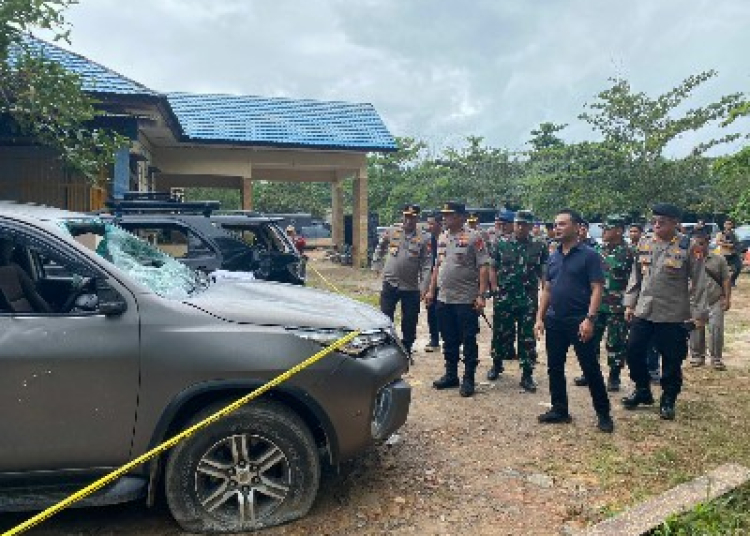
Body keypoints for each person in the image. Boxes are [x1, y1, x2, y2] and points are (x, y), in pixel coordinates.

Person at [622, 203, 708, 420]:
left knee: (671, 359)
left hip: (673, 313)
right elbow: (636, 276)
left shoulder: (690, 245)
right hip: (645, 309)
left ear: (675, 223)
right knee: (633, 351)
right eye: (655, 221)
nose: (657, 225)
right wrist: (630, 304)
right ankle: (642, 390)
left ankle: (668, 398)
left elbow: (699, 282)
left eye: (662, 221)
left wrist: (698, 315)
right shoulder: (645, 242)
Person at [534, 209, 613, 433]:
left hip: (580, 321)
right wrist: (539, 318)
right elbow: (547, 289)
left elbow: (597, 288)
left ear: (576, 227)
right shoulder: (553, 255)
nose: (556, 228)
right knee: (554, 367)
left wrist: (590, 319)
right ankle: (560, 410)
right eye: (555, 224)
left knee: (590, 368)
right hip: (555, 321)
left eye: (562, 224)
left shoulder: (589, 255)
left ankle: (603, 414)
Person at [425, 201, 491, 397]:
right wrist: (431, 290)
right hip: (445, 298)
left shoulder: (474, 237)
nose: (445, 218)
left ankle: (468, 378)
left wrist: (481, 295)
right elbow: (438, 266)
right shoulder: (443, 237)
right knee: (448, 339)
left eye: (449, 214)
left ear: (461, 217)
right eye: (444, 214)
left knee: (468, 340)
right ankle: (451, 375)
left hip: (466, 299)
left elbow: (484, 266)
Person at [487, 210, 548, 391]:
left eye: (525, 224)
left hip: (527, 299)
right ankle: (497, 364)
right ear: (514, 224)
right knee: (500, 333)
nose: (521, 227)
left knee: (527, 336)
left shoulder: (539, 246)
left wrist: (546, 292)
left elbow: (544, 272)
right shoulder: (501, 243)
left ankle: (527, 373)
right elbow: (492, 267)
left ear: (531, 226)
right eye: (518, 224)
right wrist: (495, 288)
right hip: (504, 297)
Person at [573, 215, 633, 392]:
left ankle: (614, 376)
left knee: (616, 342)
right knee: (589, 340)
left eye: (608, 228)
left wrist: (631, 304)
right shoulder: (597, 250)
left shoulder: (630, 253)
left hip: (617, 307)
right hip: (595, 305)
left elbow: (634, 281)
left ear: (619, 231)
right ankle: (589, 373)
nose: (603, 231)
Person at [372, 204, 432, 360]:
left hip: (411, 287)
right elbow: (380, 247)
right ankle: (387, 349)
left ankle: (406, 350)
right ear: (402, 216)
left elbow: (427, 263)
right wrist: (377, 263)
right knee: (385, 318)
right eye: (406, 216)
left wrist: (424, 286)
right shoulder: (393, 231)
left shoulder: (424, 237)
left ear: (417, 218)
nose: (408, 220)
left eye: (412, 217)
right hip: (390, 283)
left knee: (410, 321)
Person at [689, 230, 731, 370]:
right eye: (695, 243)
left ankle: (716, 358)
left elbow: (725, 280)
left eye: (701, 243)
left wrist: (727, 298)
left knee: (716, 329)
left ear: (708, 243)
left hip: (715, 299)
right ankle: (697, 356)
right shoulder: (689, 260)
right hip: (695, 300)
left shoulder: (719, 260)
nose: (698, 247)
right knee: (696, 330)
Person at [424, 212, 443, 352]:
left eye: (431, 223)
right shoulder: (428, 240)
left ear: (439, 223)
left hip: (445, 281)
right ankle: (434, 339)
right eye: (428, 223)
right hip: (431, 279)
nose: (429, 227)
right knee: (431, 308)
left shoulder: (446, 238)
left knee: (446, 310)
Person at [716, 218, 743, 287]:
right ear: (724, 225)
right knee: (721, 270)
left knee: (738, 267)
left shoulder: (734, 234)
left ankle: (732, 281)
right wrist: (727, 244)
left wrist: (736, 246)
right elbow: (717, 242)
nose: (728, 225)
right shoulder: (721, 233)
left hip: (733, 254)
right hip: (724, 254)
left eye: (730, 224)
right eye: (727, 224)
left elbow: (738, 243)